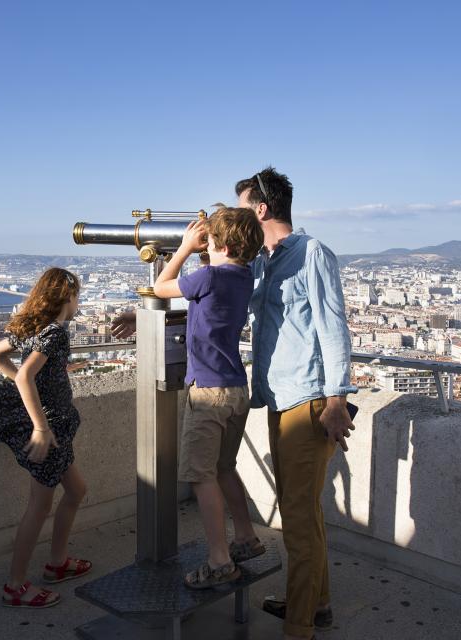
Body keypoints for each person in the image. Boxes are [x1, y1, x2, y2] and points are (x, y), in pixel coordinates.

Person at [235, 167, 357, 640]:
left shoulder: (311, 255)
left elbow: (333, 327)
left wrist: (335, 400)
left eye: (243, 208)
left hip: (307, 403)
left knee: (299, 525)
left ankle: (299, 627)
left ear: (260, 209)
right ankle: (315, 603)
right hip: (279, 399)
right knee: (302, 513)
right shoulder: (263, 262)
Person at [0, 267, 91, 609]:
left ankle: (58, 564)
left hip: (57, 427)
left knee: (76, 490)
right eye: (77, 296)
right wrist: (41, 426)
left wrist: (26, 389)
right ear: (68, 297)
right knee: (39, 507)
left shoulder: (32, 328)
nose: (78, 303)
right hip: (52, 429)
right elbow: (27, 376)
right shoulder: (55, 332)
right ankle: (15, 585)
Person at [151, 206, 265, 588]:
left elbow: (161, 287)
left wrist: (183, 249)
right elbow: (206, 310)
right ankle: (246, 537)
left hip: (208, 393)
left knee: (201, 476)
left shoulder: (209, 276)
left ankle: (219, 560)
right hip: (236, 388)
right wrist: (211, 246)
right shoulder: (242, 276)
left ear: (221, 243)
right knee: (223, 468)